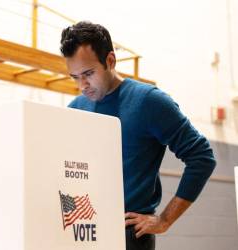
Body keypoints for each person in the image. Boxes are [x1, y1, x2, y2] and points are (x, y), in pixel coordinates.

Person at [60, 21, 216, 250]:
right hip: (82, 229)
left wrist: (165, 220)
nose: (82, 84)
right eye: (75, 77)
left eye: (88, 73)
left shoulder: (148, 102)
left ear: (110, 61)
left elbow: (202, 157)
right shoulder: (75, 108)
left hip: (129, 235)